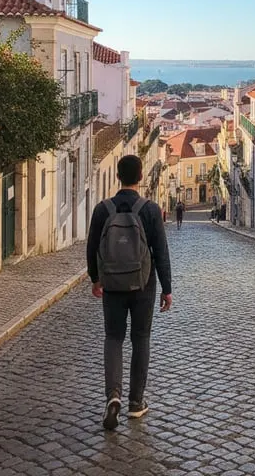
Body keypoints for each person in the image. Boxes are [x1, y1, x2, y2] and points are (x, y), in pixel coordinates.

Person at [87, 155, 172, 431]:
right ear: (140, 177)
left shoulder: (103, 209)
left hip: (112, 283)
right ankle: (136, 403)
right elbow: (161, 252)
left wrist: (95, 278)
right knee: (141, 339)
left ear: (118, 178)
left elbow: (91, 248)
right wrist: (167, 289)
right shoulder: (150, 210)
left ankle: (113, 395)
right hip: (142, 284)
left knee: (113, 338)